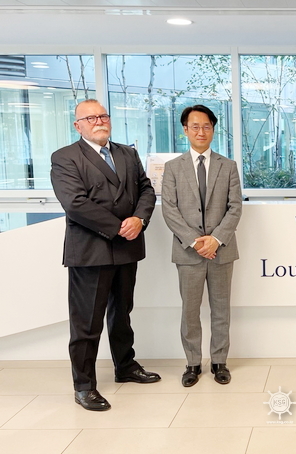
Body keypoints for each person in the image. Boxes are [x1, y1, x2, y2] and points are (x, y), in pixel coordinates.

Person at [51, 99, 160, 412]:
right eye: (91, 118)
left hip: (127, 248)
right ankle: (84, 386)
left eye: (103, 115)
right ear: (78, 125)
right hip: (91, 251)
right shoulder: (65, 157)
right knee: (86, 323)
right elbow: (75, 203)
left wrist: (139, 219)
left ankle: (125, 366)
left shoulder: (127, 153)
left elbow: (146, 190)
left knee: (122, 313)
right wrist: (118, 227)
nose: (99, 121)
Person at [161, 105, 242, 387]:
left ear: (213, 130)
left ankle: (219, 362)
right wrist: (196, 242)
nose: (201, 131)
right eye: (195, 126)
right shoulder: (173, 168)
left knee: (221, 310)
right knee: (190, 311)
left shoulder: (228, 166)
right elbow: (169, 209)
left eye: (206, 126)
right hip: (188, 252)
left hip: (221, 250)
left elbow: (235, 207)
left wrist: (215, 239)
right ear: (185, 130)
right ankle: (193, 363)